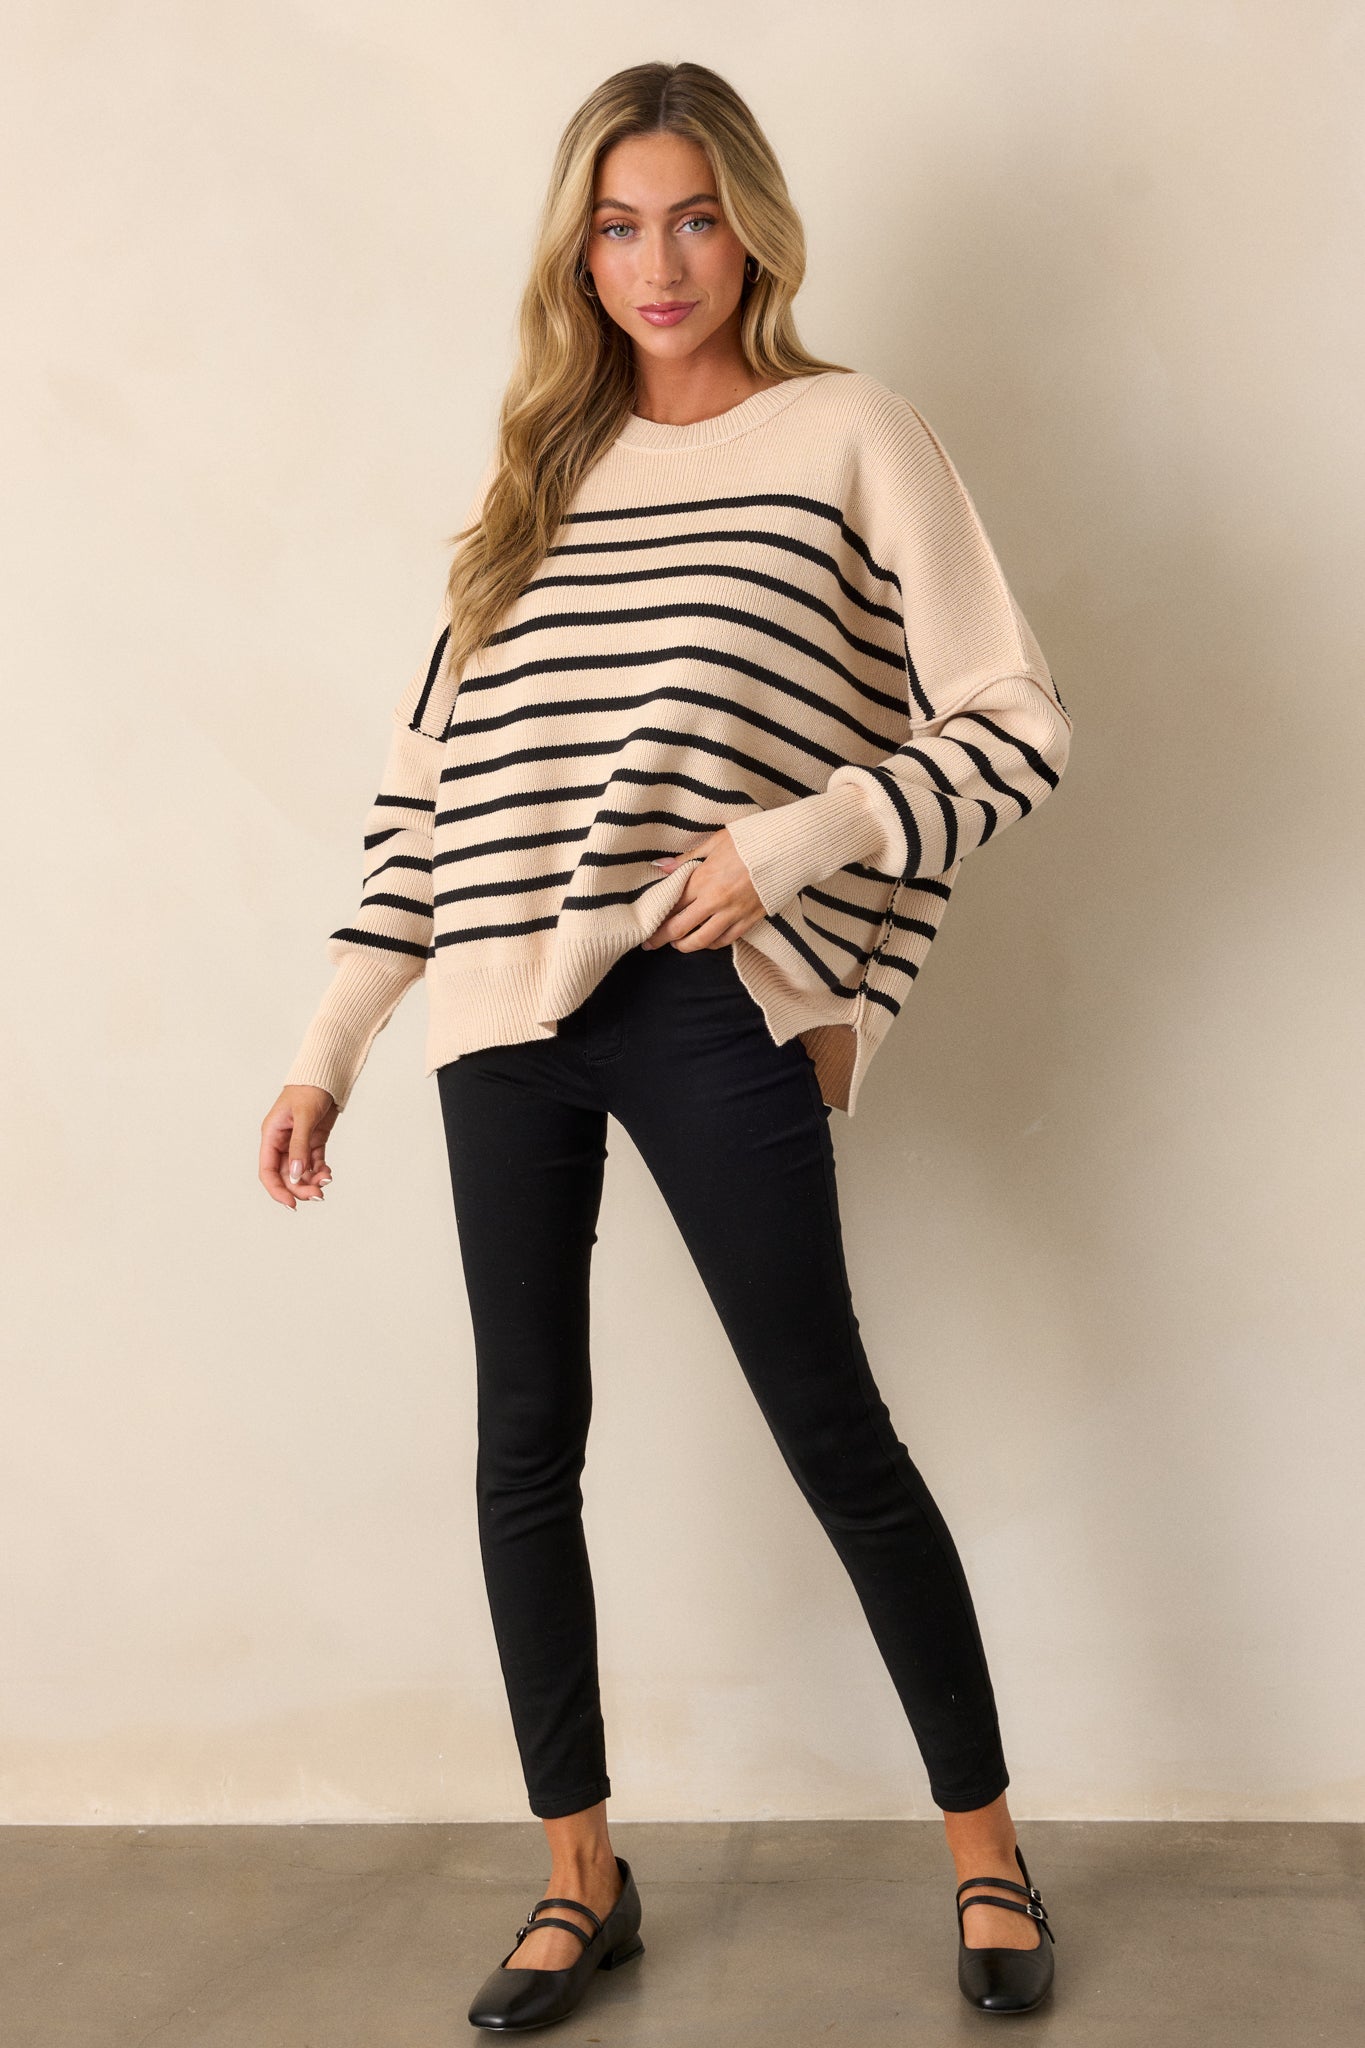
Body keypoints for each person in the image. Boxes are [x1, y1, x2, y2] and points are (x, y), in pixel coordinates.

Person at [260, 59, 1071, 2031]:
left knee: (830, 1427)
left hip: (705, 990)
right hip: (495, 1010)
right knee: (521, 1449)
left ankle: (984, 1851)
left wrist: (788, 851)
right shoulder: (531, 487)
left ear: (752, 228)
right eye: (616, 226)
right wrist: (328, 1041)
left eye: (692, 216)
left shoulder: (846, 432)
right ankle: (579, 1880)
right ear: (575, 253)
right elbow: (423, 803)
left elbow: (1014, 721)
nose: (658, 262)